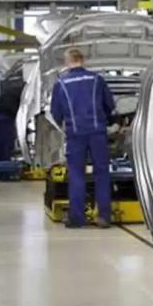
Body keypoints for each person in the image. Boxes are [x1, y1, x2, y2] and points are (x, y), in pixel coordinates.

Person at [50, 48, 116, 229]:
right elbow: (109, 105)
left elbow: (55, 113)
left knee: (77, 174)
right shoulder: (97, 79)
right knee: (102, 173)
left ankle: (77, 218)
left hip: (75, 134)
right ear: (83, 60)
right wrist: (106, 121)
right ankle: (104, 217)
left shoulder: (61, 84)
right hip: (97, 133)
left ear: (67, 62)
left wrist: (65, 126)